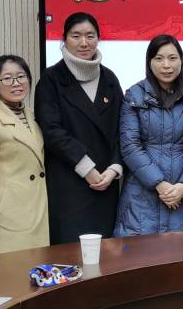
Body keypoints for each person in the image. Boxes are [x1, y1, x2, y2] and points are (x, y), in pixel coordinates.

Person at [36, 12, 124, 243]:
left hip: (105, 183)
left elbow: (122, 129)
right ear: (64, 39)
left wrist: (114, 168)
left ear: (98, 39)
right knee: (70, 255)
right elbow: (51, 131)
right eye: (76, 36)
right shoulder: (51, 79)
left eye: (90, 36)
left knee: (106, 254)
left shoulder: (110, 79)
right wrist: (86, 168)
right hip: (69, 185)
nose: (84, 43)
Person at [114, 35, 183, 236]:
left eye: (172, 58)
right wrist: (159, 184)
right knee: (139, 253)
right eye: (159, 58)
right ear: (149, 62)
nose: (166, 65)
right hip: (141, 196)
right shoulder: (134, 96)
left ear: (181, 60)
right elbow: (130, 146)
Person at [0, 55, 49, 255]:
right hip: (8, 215)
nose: (16, 83)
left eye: (21, 76)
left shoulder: (32, 115)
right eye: (7, 78)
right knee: (10, 272)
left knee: (36, 270)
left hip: (37, 210)